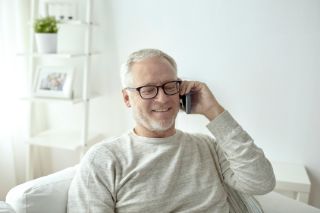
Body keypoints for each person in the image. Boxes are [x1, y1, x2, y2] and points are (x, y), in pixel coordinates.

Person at [67, 48, 275, 213]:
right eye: (148, 89)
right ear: (127, 98)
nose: (163, 98)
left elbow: (262, 183)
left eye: (170, 86)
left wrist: (214, 112)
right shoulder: (104, 159)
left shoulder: (207, 147)